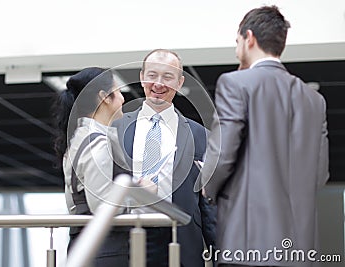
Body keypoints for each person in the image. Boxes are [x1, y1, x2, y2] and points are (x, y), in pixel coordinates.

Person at [201, 5, 329, 267]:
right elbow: (320, 174)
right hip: (300, 249)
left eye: (237, 42)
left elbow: (223, 154)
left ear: (249, 38)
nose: (237, 49)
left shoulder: (235, 83)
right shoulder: (314, 100)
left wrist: (207, 186)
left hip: (248, 243)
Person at [112, 49, 216, 267]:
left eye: (168, 77)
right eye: (152, 75)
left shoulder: (200, 136)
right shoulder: (116, 129)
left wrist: (218, 252)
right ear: (141, 77)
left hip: (182, 240)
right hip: (129, 238)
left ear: (179, 83)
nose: (158, 84)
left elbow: (208, 203)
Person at [51, 67, 129, 267]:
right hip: (104, 249)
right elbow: (101, 206)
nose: (123, 99)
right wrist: (137, 192)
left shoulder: (81, 137)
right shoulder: (96, 142)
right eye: (118, 91)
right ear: (104, 97)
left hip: (89, 245)